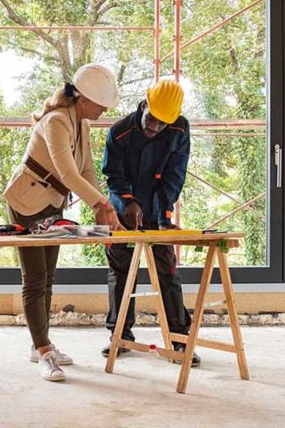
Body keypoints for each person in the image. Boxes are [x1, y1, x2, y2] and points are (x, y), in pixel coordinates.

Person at [2, 63, 125, 382]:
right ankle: (43, 353)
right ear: (84, 99)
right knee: (34, 278)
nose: (104, 111)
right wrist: (102, 205)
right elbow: (68, 174)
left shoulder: (81, 122)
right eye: (102, 105)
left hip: (52, 205)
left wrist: (103, 207)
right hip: (27, 203)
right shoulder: (56, 121)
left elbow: (84, 172)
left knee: (48, 278)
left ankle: (40, 344)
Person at [100, 78, 200, 366]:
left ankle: (180, 341)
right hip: (122, 209)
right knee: (121, 273)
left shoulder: (179, 129)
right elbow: (113, 173)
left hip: (157, 208)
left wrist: (164, 214)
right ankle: (120, 336)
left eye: (161, 124)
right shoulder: (119, 132)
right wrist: (129, 201)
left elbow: (175, 174)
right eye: (152, 120)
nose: (154, 128)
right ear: (144, 104)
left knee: (166, 271)